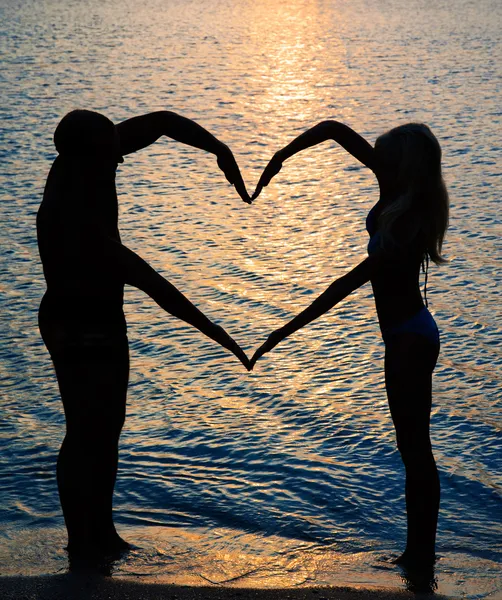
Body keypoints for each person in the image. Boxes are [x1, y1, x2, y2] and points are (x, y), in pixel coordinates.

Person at [37, 109, 251, 558]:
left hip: (102, 314)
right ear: (93, 156)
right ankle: (82, 541)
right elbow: (151, 283)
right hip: (75, 322)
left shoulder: (90, 153)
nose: (122, 156)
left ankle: (103, 532)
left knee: (108, 427)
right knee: (84, 431)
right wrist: (218, 333)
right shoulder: (73, 208)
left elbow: (163, 122)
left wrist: (219, 149)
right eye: (114, 153)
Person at [250, 121, 449, 568]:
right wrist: (282, 155)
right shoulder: (393, 186)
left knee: (415, 448)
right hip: (404, 334)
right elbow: (334, 130)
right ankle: (418, 552)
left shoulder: (410, 219)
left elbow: (345, 285)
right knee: (410, 447)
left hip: (410, 338)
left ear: (405, 165)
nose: (375, 163)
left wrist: (283, 331)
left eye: (385, 158)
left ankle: (421, 555)